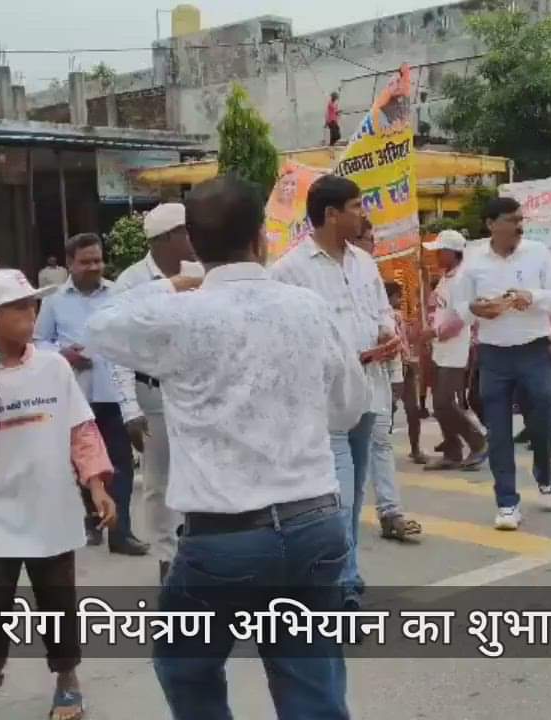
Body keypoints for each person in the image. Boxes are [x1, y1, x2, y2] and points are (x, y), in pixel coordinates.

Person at [82, 175, 367, 720]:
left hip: (225, 539)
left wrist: (173, 284)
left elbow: (99, 327)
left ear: (192, 244)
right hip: (314, 524)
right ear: (261, 237)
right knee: (311, 681)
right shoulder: (308, 307)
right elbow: (349, 408)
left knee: (185, 666)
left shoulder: (183, 314)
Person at [0, 269, 117, 720]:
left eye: (32, 304)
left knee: (57, 603)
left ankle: (67, 680)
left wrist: (97, 484)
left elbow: (81, 429)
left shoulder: (54, 366)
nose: (30, 313)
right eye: (19, 306)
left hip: (50, 507)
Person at [271, 174, 399, 605]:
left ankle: (349, 572)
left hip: (369, 391)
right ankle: (339, 587)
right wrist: (342, 357)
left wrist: (387, 331)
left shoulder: (363, 262)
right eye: (357, 206)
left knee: (356, 491)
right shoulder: (289, 270)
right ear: (331, 214)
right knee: (337, 497)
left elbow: (381, 310)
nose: (363, 214)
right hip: (324, 402)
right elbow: (284, 339)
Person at [456, 197, 551, 531]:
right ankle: (506, 503)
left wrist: (533, 296)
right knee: (499, 431)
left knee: (544, 416)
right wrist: (476, 309)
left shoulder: (538, 253)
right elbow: (459, 305)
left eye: (521, 220)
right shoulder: (473, 261)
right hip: (494, 355)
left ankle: (544, 473)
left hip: (534, 351)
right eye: (511, 220)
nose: (519, 226)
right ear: (491, 224)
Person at [36, 234, 148, 556]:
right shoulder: (55, 300)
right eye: (85, 262)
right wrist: (63, 354)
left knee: (120, 463)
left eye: (97, 260)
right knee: (83, 463)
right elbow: (39, 341)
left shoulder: (118, 294)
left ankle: (120, 533)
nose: (94, 267)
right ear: (70, 263)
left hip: (114, 394)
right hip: (76, 396)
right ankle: (93, 520)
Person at [111, 202, 197, 580]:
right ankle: (167, 561)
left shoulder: (200, 275)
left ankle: (195, 555)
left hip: (196, 392)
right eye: (188, 231)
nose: (195, 238)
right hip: (153, 395)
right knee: (159, 484)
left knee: (200, 475)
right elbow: (118, 350)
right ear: (167, 238)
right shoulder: (131, 283)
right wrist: (130, 410)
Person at [350, 224, 422, 543]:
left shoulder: (371, 275)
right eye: (368, 240)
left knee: (380, 442)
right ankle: (341, 520)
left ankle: (390, 512)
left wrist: (394, 374)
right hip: (340, 382)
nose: (373, 246)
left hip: (376, 377)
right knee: (343, 450)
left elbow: (385, 322)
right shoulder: (313, 272)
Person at [422, 230, 489, 472]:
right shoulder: (446, 278)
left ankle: (478, 442)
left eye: (440, 251)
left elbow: (462, 317)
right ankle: (452, 451)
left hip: (455, 350)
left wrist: (434, 332)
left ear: (453, 252)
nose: (436, 255)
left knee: (444, 402)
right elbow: (438, 309)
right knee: (440, 404)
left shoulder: (462, 279)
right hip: (441, 349)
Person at [387, 282, 426, 462]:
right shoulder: (387, 316)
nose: (401, 300)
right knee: (395, 409)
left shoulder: (397, 316)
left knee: (407, 409)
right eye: (397, 296)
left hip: (403, 365)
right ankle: (413, 449)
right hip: (395, 367)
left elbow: (404, 339)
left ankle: (415, 449)